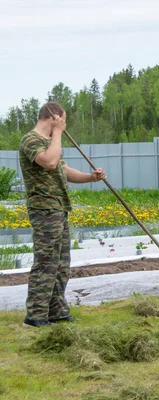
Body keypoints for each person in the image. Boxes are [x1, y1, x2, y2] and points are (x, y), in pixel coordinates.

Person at [19, 101, 106, 328]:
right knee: (46, 262)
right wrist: (57, 132)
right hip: (44, 209)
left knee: (61, 264)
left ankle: (57, 311)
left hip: (59, 208)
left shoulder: (50, 142)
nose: (65, 125)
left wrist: (90, 177)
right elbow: (49, 162)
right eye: (63, 120)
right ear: (54, 117)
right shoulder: (31, 140)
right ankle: (36, 314)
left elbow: (63, 170)